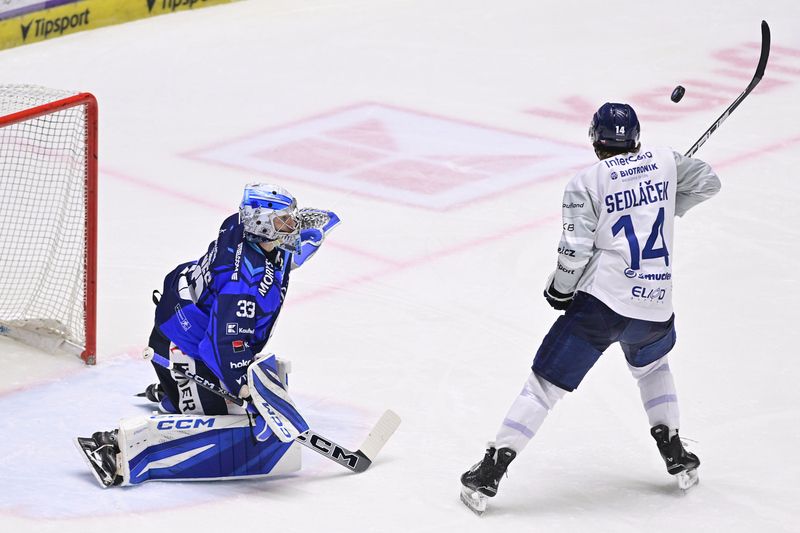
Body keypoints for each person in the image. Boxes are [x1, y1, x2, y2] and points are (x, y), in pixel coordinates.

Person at [460, 102, 721, 514]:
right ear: (636, 138)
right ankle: (674, 449)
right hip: (654, 304)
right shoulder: (666, 161)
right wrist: (663, 200)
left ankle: (490, 472)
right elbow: (708, 182)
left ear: (595, 140)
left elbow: (574, 251)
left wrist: (560, 290)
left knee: (543, 387)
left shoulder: (586, 182)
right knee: (654, 368)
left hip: (601, 305)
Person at [75, 183, 340, 488]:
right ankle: (114, 448)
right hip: (182, 346)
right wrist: (243, 388)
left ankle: (173, 390)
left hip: (183, 324)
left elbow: (279, 260)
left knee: (243, 395)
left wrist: (300, 231)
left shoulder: (241, 227)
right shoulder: (241, 285)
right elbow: (223, 346)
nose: (292, 226)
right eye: (284, 220)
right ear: (262, 225)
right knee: (235, 422)